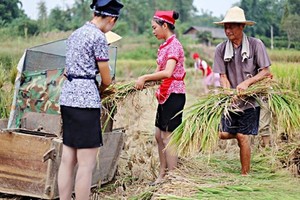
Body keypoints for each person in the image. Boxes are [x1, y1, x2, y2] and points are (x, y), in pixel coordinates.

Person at [58, 0, 123, 199]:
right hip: (86, 102)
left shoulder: (75, 34)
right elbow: (106, 79)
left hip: (67, 98)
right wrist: (104, 89)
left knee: (68, 158)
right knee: (86, 163)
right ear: (112, 19)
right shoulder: (98, 37)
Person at [213, 6, 271, 175]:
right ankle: (247, 132)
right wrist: (228, 93)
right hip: (232, 101)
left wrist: (248, 83)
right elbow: (222, 76)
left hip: (251, 100)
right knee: (223, 134)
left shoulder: (255, 45)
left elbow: (266, 71)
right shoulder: (220, 49)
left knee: (242, 137)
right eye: (225, 27)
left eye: (231, 26)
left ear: (242, 26)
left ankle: (245, 174)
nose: (228, 30)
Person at [135, 10, 186, 185]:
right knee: (158, 135)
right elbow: (159, 73)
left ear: (165, 26)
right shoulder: (164, 46)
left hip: (174, 94)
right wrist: (141, 83)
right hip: (164, 95)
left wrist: (145, 78)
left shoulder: (174, 45)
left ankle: (173, 178)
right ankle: (162, 175)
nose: (153, 31)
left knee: (168, 137)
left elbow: (168, 72)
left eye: (155, 27)